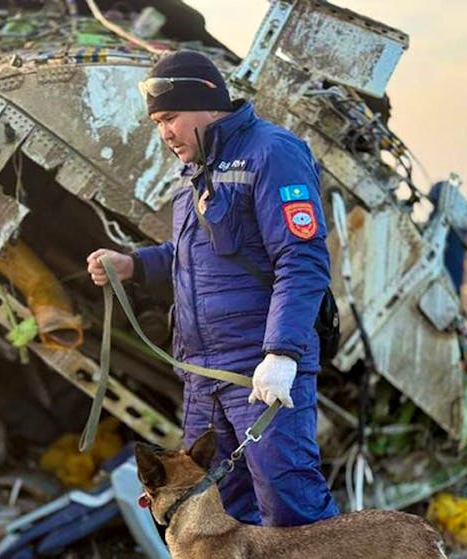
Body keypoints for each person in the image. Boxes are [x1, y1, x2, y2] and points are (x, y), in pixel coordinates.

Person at [87, 51, 338, 527]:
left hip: (258, 373)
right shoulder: (195, 172)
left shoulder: (273, 152)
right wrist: (134, 265)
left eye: (170, 118)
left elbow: (301, 258)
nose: (165, 133)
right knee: (215, 516)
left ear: (207, 101)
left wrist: (282, 354)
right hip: (203, 378)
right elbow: (193, 257)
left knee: (290, 507)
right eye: (158, 122)